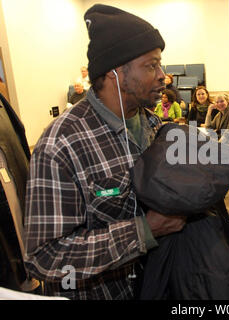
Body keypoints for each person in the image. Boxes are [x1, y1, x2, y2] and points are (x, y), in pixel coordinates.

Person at [23, 4, 186, 300]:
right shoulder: (62, 145)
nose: (164, 76)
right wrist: (142, 232)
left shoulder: (153, 126)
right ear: (115, 72)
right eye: (151, 65)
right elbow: (44, 258)